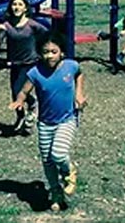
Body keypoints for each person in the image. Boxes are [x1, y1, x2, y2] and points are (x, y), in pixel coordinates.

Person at [9, 30, 87, 212]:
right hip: (45, 123)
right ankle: (56, 193)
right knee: (47, 160)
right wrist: (19, 101)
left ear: (62, 52)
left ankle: (69, 172)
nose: (49, 55)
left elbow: (80, 74)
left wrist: (79, 94)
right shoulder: (35, 72)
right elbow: (24, 91)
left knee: (58, 154)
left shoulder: (71, 66)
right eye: (45, 52)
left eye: (54, 51)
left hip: (67, 119)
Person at [0, 0, 47, 133]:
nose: (16, 7)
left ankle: (32, 104)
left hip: (30, 63)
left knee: (20, 90)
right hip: (14, 63)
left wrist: (44, 53)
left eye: (20, 4)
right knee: (14, 93)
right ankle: (21, 117)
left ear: (25, 8)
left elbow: (46, 36)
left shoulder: (32, 25)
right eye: (14, 4)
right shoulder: (6, 25)